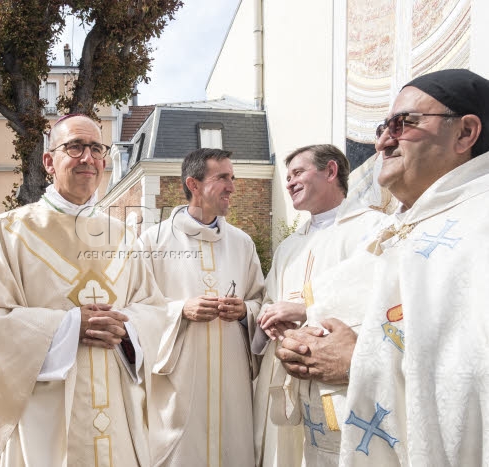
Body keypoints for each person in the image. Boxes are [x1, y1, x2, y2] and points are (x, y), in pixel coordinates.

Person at [276, 68, 489, 466]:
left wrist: (359, 363)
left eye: (403, 123)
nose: (382, 140)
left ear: (465, 133)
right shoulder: (399, 227)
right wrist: (301, 342)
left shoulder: (480, 224)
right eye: (382, 125)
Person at [0, 114, 166, 467]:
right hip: (45, 417)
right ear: (49, 161)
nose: (88, 158)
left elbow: (154, 309)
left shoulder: (123, 235)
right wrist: (67, 327)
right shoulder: (10, 231)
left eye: (96, 148)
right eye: (75, 147)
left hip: (117, 411)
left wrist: (128, 328)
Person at [252, 144, 388, 466]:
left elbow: (378, 295)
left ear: (330, 171)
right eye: (287, 176)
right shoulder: (289, 246)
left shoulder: (370, 229)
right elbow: (272, 300)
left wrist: (304, 313)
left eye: (298, 172)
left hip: (342, 384)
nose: (288, 183)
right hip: (292, 381)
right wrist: (271, 320)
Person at [138, 148, 265, 466]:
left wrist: (244, 311)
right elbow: (134, 307)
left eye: (232, 178)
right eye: (222, 177)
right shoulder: (153, 242)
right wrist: (181, 309)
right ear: (193, 184)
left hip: (232, 382)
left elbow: (261, 301)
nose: (232, 187)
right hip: (178, 383)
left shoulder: (242, 243)